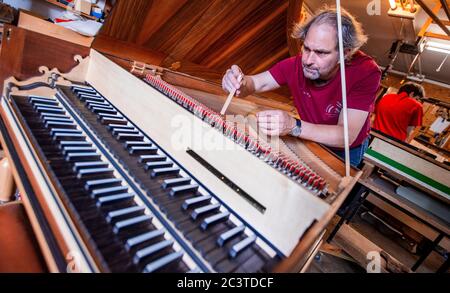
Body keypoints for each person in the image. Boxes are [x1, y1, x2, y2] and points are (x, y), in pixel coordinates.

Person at [222, 7, 381, 167]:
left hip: (346, 150)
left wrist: (293, 126)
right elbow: (255, 83)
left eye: (321, 53)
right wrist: (238, 82)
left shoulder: (365, 72)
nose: (308, 60)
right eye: (306, 48)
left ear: (344, 54)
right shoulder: (295, 65)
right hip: (308, 134)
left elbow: (345, 136)